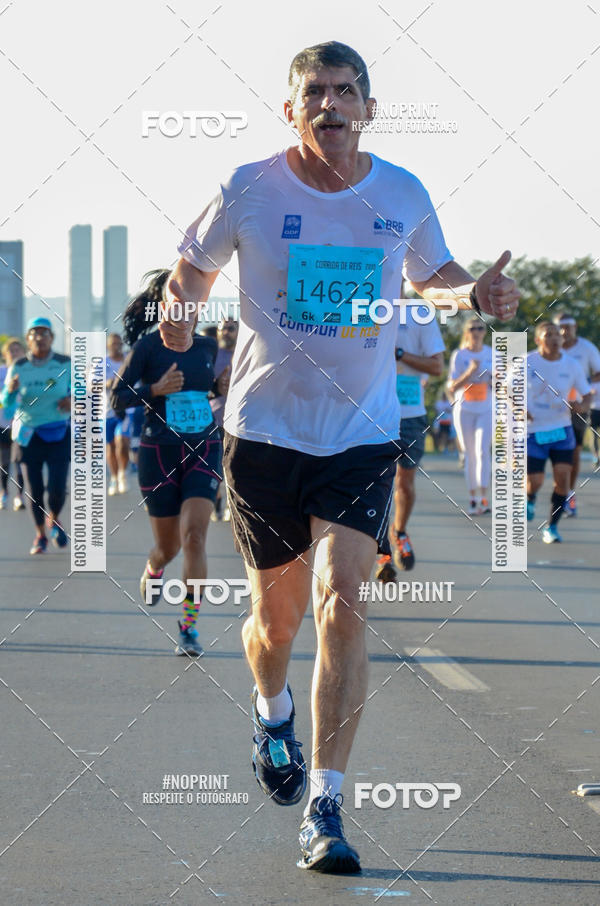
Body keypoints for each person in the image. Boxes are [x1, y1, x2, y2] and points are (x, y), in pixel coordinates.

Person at [158, 41, 520, 873]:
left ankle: (325, 805)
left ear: (368, 108)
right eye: (315, 92)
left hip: (361, 432)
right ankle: (271, 710)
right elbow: (191, 272)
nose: (330, 104)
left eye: (345, 91)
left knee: (344, 600)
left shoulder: (400, 192)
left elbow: (434, 275)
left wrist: (476, 293)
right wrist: (179, 316)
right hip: (265, 432)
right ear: (291, 109)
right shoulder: (248, 187)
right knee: (275, 623)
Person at [111, 270, 222, 656]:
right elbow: (117, 398)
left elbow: (213, 387)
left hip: (204, 447)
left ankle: (188, 627)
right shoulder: (147, 347)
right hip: (159, 453)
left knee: (195, 537)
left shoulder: (208, 347)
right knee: (169, 547)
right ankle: (154, 566)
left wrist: (222, 386)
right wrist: (154, 389)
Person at [375, 303, 444, 580]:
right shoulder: (364, 307)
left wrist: (400, 354)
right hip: (373, 414)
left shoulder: (420, 314)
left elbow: (437, 366)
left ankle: (399, 532)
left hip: (411, 415)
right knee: (376, 485)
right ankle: (381, 549)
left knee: (404, 482)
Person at [0, 318, 70, 554]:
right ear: (28, 339)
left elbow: (82, 392)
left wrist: (73, 399)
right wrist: (10, 391)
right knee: (35, 489)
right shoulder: (19, 366)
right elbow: (5, 402)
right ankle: (40, 535)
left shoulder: (65, 363)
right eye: (34, 333)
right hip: (28, 434)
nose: (39, 337)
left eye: (44, 333)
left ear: (52, 337)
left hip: (58, 431)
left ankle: (54, 517)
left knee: (57, 488)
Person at [526, 322, 591, 543]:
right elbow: (507, 388)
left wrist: (581, 406)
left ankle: (552, 527)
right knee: (535, 481)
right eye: (548, 335)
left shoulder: (571, 365)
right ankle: (530, 497)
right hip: (534, 431)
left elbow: (587, 394)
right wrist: (518, 407)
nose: (555, 339)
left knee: (563, 479)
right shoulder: (526, 362)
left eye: (557, 335)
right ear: (538, 340)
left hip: (561, 429)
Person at [552, 312, 600, 515]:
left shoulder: (587, 348)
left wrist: (583, 388)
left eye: (568, 327)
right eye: (560, 327)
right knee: (554, 453)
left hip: (577, 408)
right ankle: (556, 492)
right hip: (552, 409)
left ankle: (569, 493)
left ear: (575, 328)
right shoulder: (549, 347)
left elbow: (598, 373)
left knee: (574, 453)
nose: (564, 331)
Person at [447, 317, 493, 515]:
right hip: (464, 408)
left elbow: (502, 383)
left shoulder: (492, 353)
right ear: (467, 332)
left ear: (484, 332)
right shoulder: (459, 355)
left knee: (483, 451)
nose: (476, 331)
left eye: (480, 328)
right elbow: (452, 386)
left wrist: (493, 378)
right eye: (472, 328)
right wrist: (470, 371)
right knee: (469, 454)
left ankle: (484, 497)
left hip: (486, 408)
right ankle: (473, 498)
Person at [210, 317, 237, 522]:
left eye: (231, 328)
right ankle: (215, 502)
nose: (226, 332)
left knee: (233, 468)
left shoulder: (243, 353)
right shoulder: (211, 354)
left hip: (237, 421)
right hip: (213, 420)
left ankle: (231, 506)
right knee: (214, 468)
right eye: (223, 328)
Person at [0, 337, 26, 511]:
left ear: (23, 353)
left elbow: (50, 383)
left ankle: (20, 496)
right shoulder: (1, 372)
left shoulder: (30, 371)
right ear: (5, 354)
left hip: (23, 423)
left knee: (20, 461)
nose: (14, 353)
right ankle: (4, 493)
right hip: (3, 422)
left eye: (17, 350)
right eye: (11, 350)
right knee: (4, 461)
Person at [105, 332, 131, 495]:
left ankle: (122, 473)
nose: (116, 347)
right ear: (108, 346)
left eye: (118, 343)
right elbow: (91, 384)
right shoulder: (102, 363)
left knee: (122, 442)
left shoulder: (128, 361)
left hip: (126, 410)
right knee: (111, 446)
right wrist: (107, 383)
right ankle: (114, 477)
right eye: (113, 344)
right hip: (106, 412)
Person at [432, 390, 454, 454]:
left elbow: (452, 410)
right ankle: (440, 448)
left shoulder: (450, 402)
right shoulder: (438, 403)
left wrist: (447, 410)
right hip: (440, 422)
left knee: (450, 436)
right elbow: (436, 411)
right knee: (439, 435)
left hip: (448, 422)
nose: (444, 396)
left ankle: (450, 448)